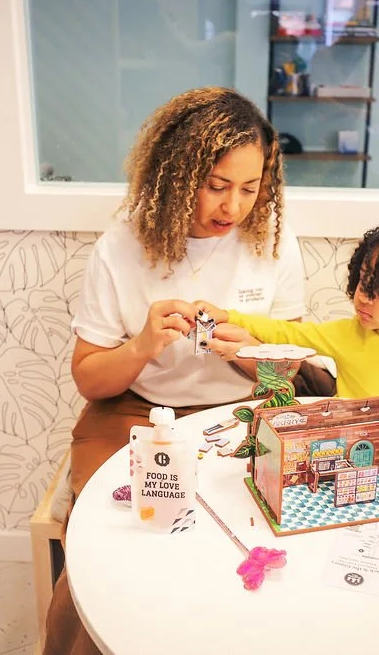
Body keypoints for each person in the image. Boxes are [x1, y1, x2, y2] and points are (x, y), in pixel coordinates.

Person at [44, 86, 332, 655]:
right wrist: (142, 346)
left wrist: (248, 352)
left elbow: (289, 375)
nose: (234, 208)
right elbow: (89, 380)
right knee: (109, 546)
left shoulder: (274, 244)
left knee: (259, 536)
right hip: (137, 413)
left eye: (250, 187)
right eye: (217, 186)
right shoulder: (121, 248)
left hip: (242, 411)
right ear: (176, 176)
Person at [197, 221, 379, 412]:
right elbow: (286, 332)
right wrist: (228, 315)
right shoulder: (349, 334)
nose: (364, 296)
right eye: (363, 281)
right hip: (351, 445)